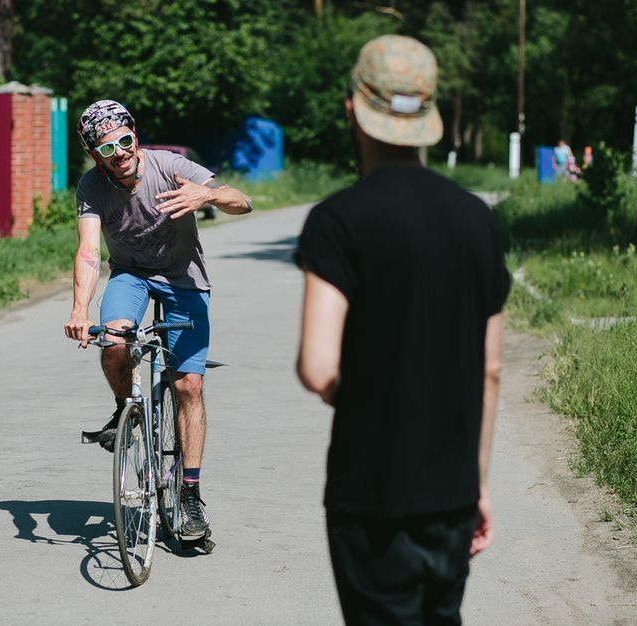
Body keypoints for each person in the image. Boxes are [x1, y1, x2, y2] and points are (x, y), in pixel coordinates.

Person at [294, 35, 510, 624]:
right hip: (452, 490)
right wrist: (477, 484)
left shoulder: (336, 221)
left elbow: (317, 366)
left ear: (352, 112)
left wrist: (368, 395)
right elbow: (490, 368)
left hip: (371, 490)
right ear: (430, 114)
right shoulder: (478, 221)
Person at [63, 99, 252, 537]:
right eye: (108, 149)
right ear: (96, 155)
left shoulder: (171, 166)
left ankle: (189, 497)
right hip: (131, 275)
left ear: (135, 136)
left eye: (125, 141)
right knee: (113, 343)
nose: (121, 153)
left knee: (189, 384)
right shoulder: (92, 187)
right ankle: (123, 410)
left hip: (184, 279)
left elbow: (240, 200)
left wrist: (207, 194)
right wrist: (79, 308)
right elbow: (89, 250)